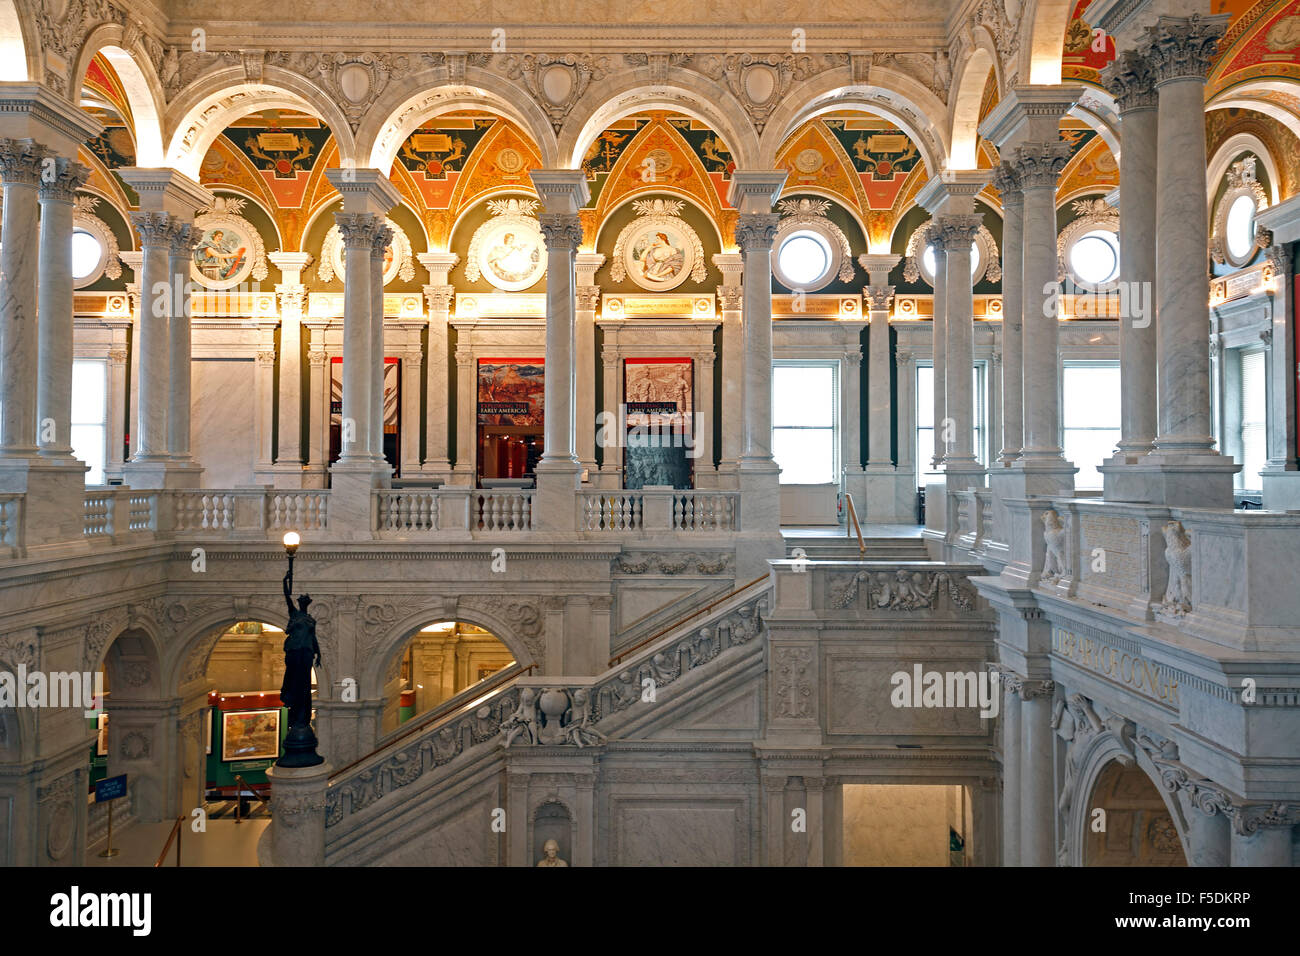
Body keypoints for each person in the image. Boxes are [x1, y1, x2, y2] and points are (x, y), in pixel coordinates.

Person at [280, 568, 320, 729]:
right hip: (295, 650)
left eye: (305, 601)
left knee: (304, 683)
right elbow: (287, 597)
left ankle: (302, 713)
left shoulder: (310, 620)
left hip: (307, 652)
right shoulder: (294, 614)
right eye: (302, 600)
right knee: (294, 679)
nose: (303, 602)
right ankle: (294, 708)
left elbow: (313, 637)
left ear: (307, 604)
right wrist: (285, 581)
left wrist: (320, 655)